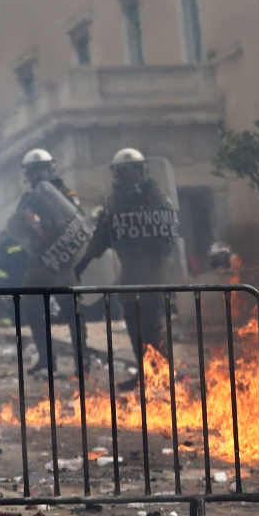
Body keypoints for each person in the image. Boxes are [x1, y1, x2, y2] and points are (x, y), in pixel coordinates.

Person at [75, 148, 182, 390]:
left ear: (143, 170)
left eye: (133, 170)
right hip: (131, 268)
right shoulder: (114, 203)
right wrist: (84, 262)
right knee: (134, 322)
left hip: (155, 268)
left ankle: (165, 371)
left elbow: (166, 232)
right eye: (123, 172)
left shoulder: (158, 195)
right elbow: (102, 235)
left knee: (153, 321)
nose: (128, 176)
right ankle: (145, 371)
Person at [10, 149, 89, 377]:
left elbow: (78, 217)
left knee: (71, 309)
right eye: (33, 171)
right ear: (28, 174)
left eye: (41, 169)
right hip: (40, 260)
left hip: (63, 258)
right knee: (31, 305)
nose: (38, 175)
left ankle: (82, 362)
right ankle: (46, 360)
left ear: (51, 169)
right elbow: (19, 230)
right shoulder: (26, 202)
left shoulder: (65, 193)